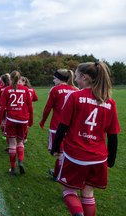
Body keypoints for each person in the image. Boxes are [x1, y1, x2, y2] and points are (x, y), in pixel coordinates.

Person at [51, 62, 120, 216]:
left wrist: (56, 148)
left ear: (85, 77)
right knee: (88, 194)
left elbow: (62, 127)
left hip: (76, 154)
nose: (75, 79)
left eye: (76, 76)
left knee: (69, 191)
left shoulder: (75, 96)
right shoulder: (109, 102)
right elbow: (113, 135)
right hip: (98, 158)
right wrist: (111, 160)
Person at [39, 69, 78, 180]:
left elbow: (47, 108)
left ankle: (58, 175)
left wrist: (43, 121)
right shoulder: (76, 90)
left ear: (60, 79)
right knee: (67, 152)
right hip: (71, 128)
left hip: (57, 126)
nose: (53, 80)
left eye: (55, 78)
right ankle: (63, 173)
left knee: (58, 153)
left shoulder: (55, 89)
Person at [0, 71, 33, 176]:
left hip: (12, 119)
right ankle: (20, 162)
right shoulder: (26, 89)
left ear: (10, 79)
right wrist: (31, 120)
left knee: (12, 144)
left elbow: (2, 107)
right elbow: (30, 106)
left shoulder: (7, 90)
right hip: (23, 120)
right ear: (19, 79)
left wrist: (0, 121)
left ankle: (13, 168)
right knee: (20, 142)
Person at [21, 76, 38, 144]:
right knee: (26, 124)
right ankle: (24, 138)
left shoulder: (22, 89)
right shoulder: (31, 89)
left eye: (20, 81)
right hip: (29, 108)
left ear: (24, 82)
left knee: (22, 123)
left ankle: (21, 137)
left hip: (23, 108)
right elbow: (36, 99)